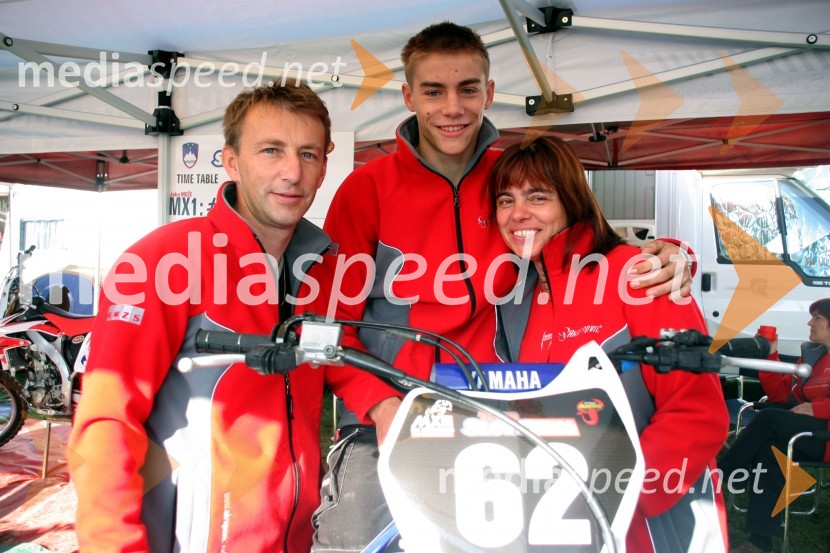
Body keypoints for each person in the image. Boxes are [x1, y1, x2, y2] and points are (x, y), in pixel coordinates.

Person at [312, 21, 699, 552]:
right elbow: (327, 324)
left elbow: (584, 239)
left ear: (490, 93)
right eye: (434, 91)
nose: (453, 107)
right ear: (408, 96)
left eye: (468, 88)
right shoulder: (365, 190)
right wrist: (379, 408)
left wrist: (673, 252)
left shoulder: (508, 179)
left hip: (490, 416)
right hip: (390, 413)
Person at [68, 82, 399, 552]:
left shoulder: (322, 267)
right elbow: (105, 421)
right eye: (271, 151)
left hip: (296, 538)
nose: (292, 172)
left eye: (308, 155)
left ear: (325, 166)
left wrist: (385, 407)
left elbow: (336, 351)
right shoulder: (163, 260)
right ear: (231, 161)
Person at [489, 136, 730, 553]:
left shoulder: (639, 276)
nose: (518, 214)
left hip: (644, 525)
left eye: (538, 196)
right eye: (505, 200)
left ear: (572, 200)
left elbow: (697, 413)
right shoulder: (517, 299)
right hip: (549, 525)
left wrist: (617, 499)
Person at [718, 298, 830, 553]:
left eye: (817, 318)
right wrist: (769, 352)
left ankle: (722, 475)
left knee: (769, 419)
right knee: (770, 449)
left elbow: (805, 408)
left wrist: (818, 408)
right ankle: (760, 541)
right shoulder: (816, 357)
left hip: (825, 437)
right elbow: (781, 396)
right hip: (811, 434)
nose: (810, 322)